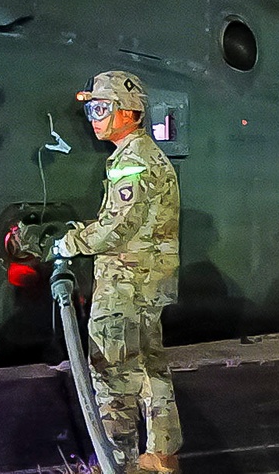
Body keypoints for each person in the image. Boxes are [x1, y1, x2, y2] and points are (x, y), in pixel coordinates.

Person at [55, 70, 182, 473]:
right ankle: (161, 455)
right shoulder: (149, 155)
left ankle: (118, 463)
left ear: (129, 113)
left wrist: (69, 243)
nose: (93, 116)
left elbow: (117, 227)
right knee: (150, 367)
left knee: (112, 374)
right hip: (150, 281)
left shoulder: (131, 160)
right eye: (92, 107)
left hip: (125, 284)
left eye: (101, 107)